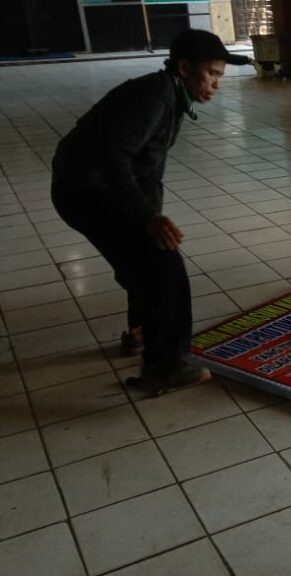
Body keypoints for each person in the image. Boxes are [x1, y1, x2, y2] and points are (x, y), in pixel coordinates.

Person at [50, 30, 249, 395]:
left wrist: (151, 217)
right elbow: (114, 158)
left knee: (147, 257)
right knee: (163, 265)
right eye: (211, 73)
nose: (216, 84)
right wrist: (147, 218)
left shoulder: (171, 95)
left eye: (219, 76)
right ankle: (167, 367)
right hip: (84, 190)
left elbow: (148, 169)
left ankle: (139, 332)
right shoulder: (154, 97)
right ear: (185, 68)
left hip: (92, 188)